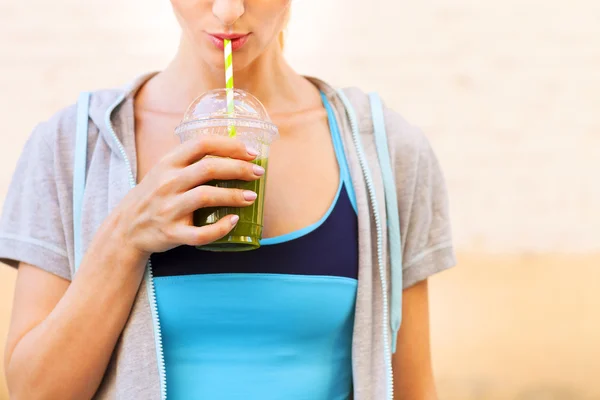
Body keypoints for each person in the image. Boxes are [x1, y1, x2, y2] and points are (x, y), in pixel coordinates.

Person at [1, 1, 455, 399]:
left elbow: (411, 390)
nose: (228, 11)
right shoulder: (72, 147)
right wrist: (124, 236)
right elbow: (34, 393)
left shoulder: (385, 152)